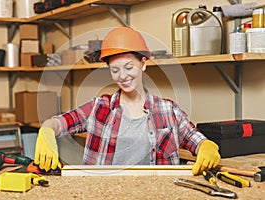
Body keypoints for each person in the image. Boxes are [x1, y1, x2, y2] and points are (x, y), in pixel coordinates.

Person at [34, 26, 220, 175]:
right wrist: (47, 130)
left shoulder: (168, 110)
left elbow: (197, 141)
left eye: (129, 67)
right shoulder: (99, 108)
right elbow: (59, 123)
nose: (123, 76)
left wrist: (207, 147)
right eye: (115, 70)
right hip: (102, 193)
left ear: (143, 63)